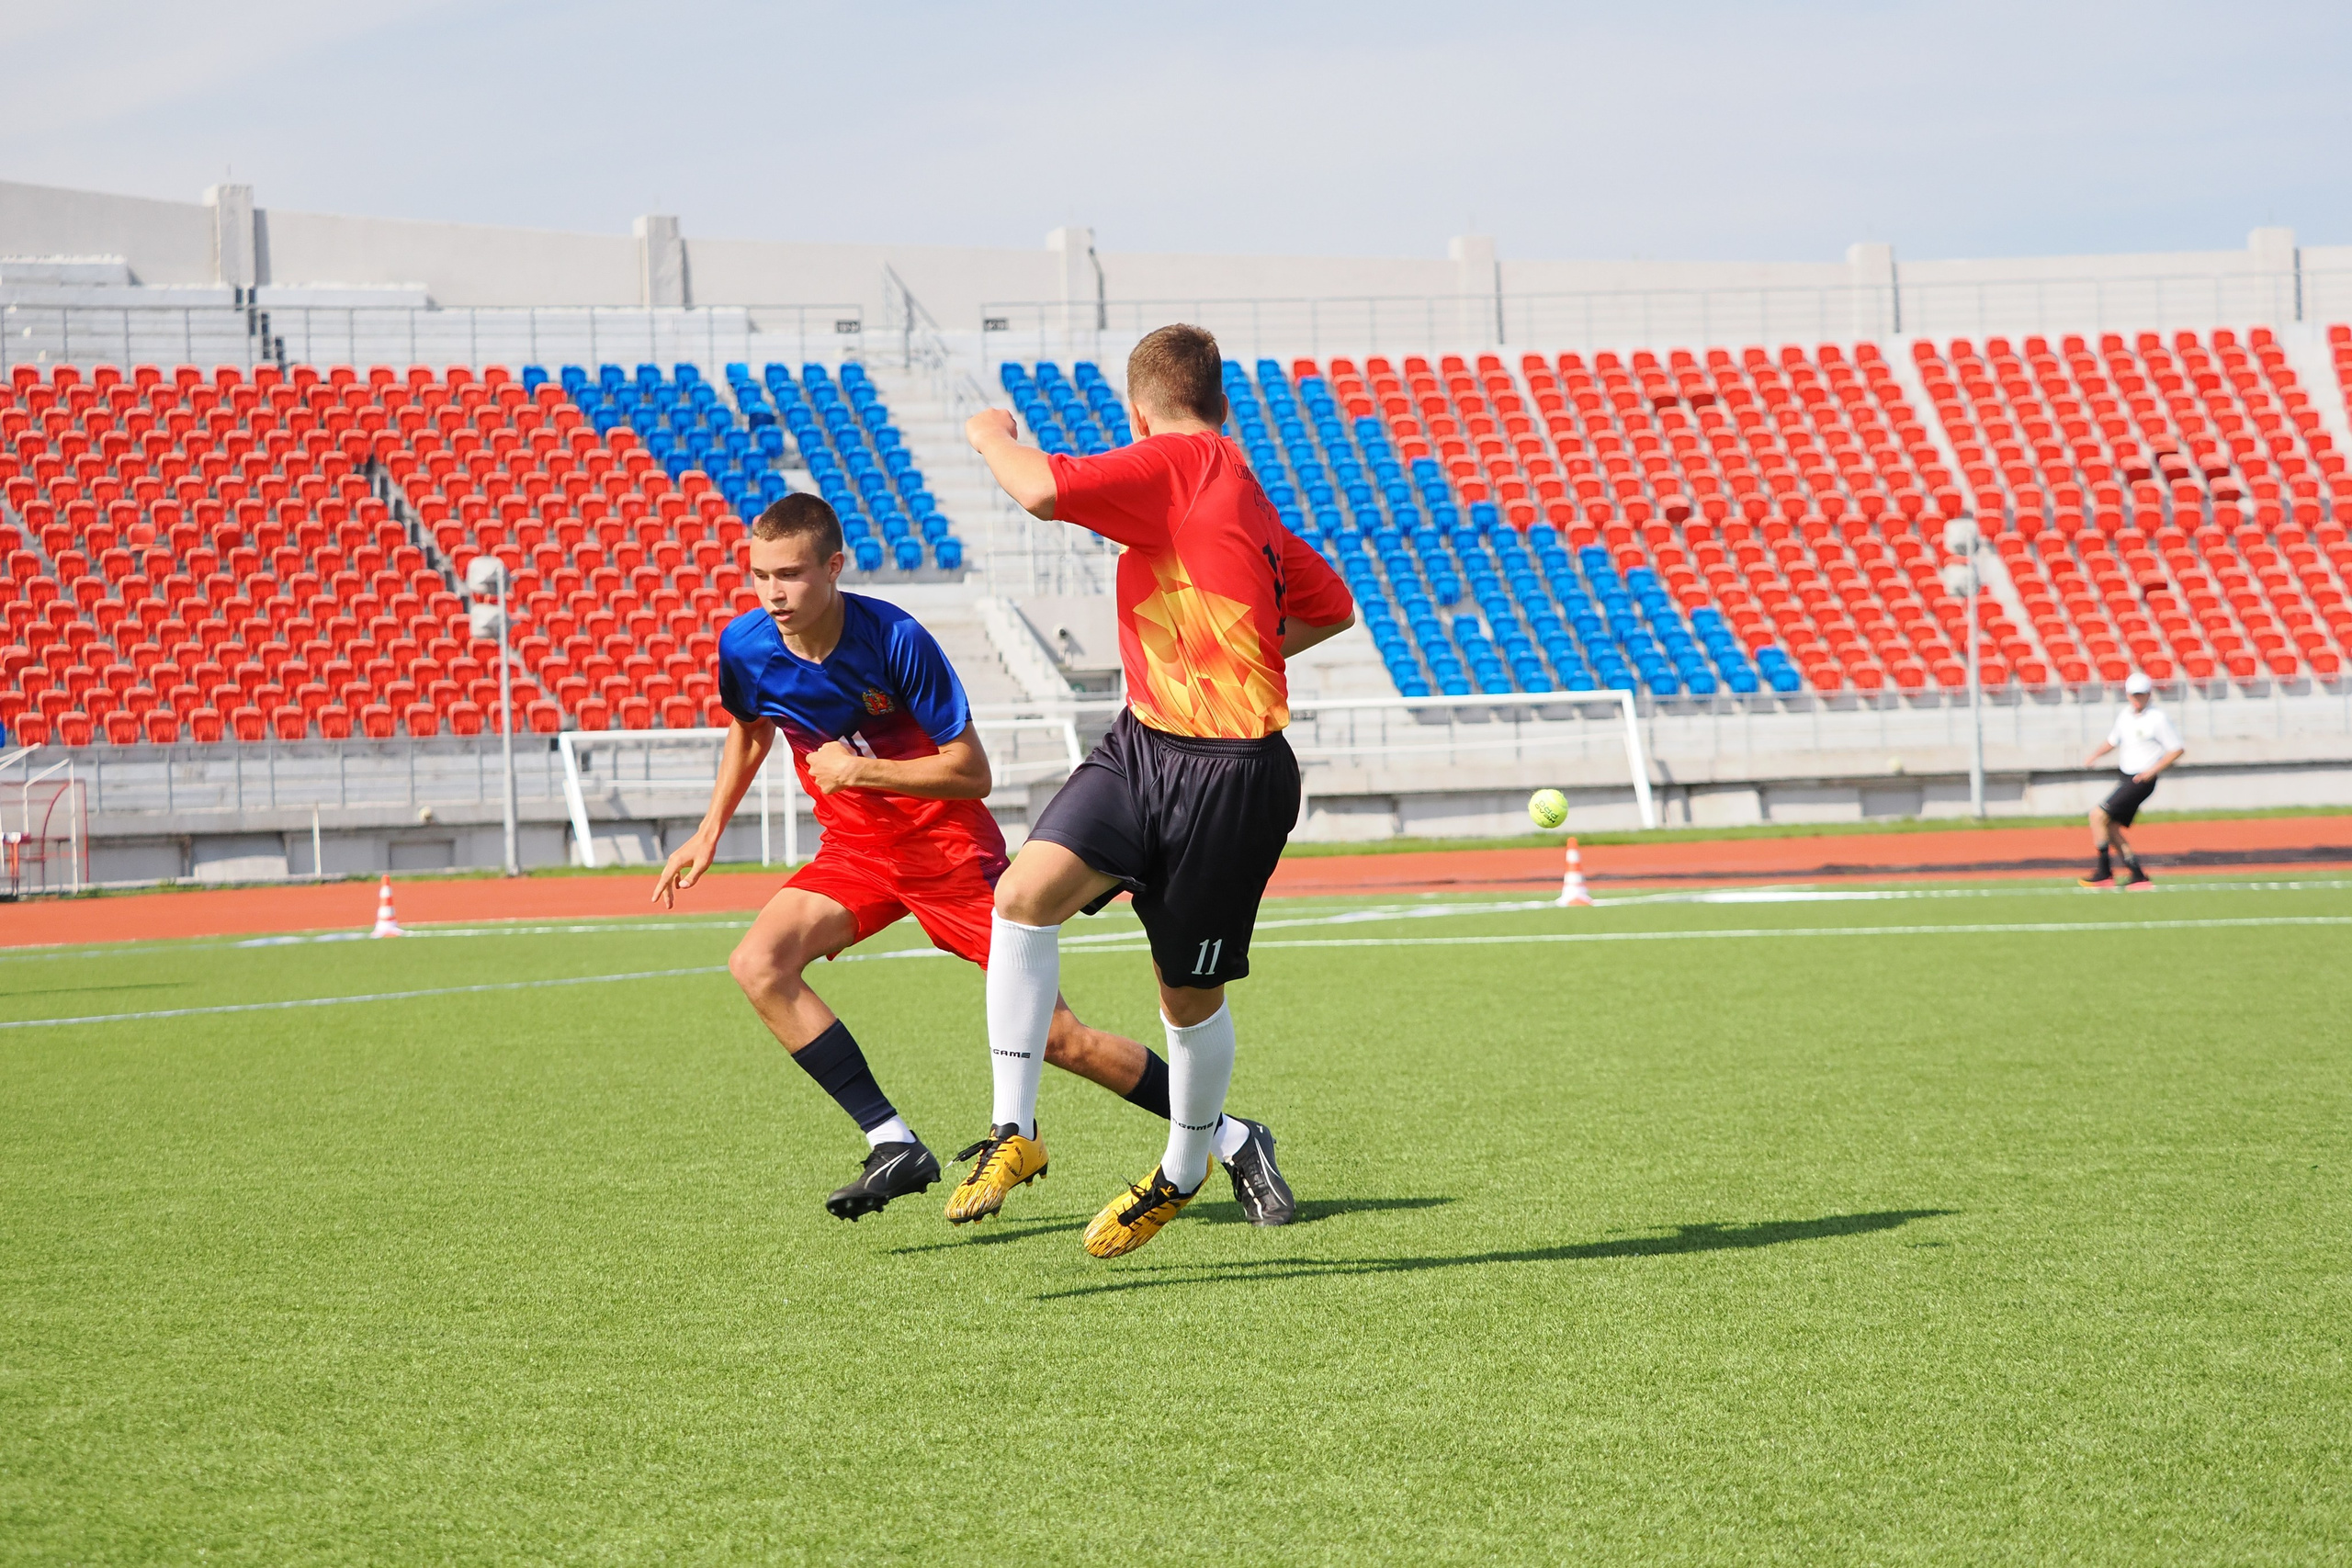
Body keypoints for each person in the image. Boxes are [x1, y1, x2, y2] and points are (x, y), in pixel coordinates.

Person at [652, 492, 1298, 1224]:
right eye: (760, 574)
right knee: (758, 963)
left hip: (950, 854)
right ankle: (893, 1141)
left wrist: (861, 772)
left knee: (1060, 1040)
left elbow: (972, 771)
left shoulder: (896, 639)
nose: (774, 592)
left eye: (792, 574)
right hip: (858, 852)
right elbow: (749, 731)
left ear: (834, 567)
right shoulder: (744, 647)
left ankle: (1234, 1136)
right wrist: (708, 832)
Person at [960, 323, 1356, 1258]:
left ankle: (1184, 1168)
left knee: (1186, 997)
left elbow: (1042, 488)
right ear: (1221, 404)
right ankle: (1012, 1132)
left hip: (1230, 778)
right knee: (1020, 899)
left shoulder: (1175, 460)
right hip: (1144, 744)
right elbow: (1329, 606)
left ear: (1136, 413)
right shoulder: (1236, 479)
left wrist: (986, 432)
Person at [2079, 671, 2186, 890]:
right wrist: (2095, 755)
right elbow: (2113, 740)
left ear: (2149, 694)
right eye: (2134, 694)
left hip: (2142, 779)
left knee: (2097, 815)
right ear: (2128, 695)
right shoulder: (2125, 716)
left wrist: (2151, 771)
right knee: (2111, 826)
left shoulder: (2157, 718)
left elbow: (2176, 749)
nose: (2138, 698)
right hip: (2127, 776)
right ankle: (2137, 874)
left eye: (2141, 694)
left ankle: (2104, 871)